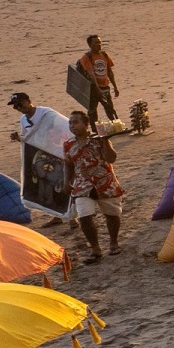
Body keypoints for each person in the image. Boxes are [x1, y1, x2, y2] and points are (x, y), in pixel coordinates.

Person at [62, 111, 122, 261]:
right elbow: (68, 164)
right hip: (83, 184)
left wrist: (106, 141)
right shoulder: (69, 144)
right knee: (84, 216)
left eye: (75, 122)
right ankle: (95, 248)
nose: (72, 126)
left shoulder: (99, 139)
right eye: (70, 123)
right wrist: (67, 181)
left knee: (112, 215)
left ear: (86, 124)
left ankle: (113, 242)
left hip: (104, 181)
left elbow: (111, 158)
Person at [76, 34, 120, 124]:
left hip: (105, 86)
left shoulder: (104, 55)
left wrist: (115, 87)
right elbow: (91, 74)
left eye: (99, 42)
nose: (99, 45)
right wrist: (97, 89)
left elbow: (109, 71)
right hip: (93, 89)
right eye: (96, 43)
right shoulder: (86, 57)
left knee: (110, 108)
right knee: (92, 111)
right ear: (90, 45)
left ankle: (116, 124)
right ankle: (95, 130)